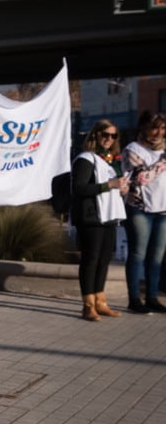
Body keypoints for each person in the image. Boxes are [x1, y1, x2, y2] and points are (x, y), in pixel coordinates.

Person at [71, 119, 128, 320]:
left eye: (113, 136)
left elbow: (112, 186)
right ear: (95, 135)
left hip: (109, 215)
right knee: (91, 259)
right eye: (105, 135)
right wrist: (108, 185)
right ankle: (88, 305)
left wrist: (121, 188)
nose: (109, 139)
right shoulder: (86, 158)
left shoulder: (111, 160)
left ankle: (100, 301)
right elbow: (78, 188)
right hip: (91, 216)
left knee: (104, 260)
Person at [121, 112, 166, 313]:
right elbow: (141, 179)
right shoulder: (132, 149)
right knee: (138, 254)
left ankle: (152, 297)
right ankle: (134, 298)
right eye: (154, 127)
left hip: (163, 209)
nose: (158, 133)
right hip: (140, 208)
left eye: (163, 128)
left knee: (156, 257)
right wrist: (162, 163)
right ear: (143, 128)